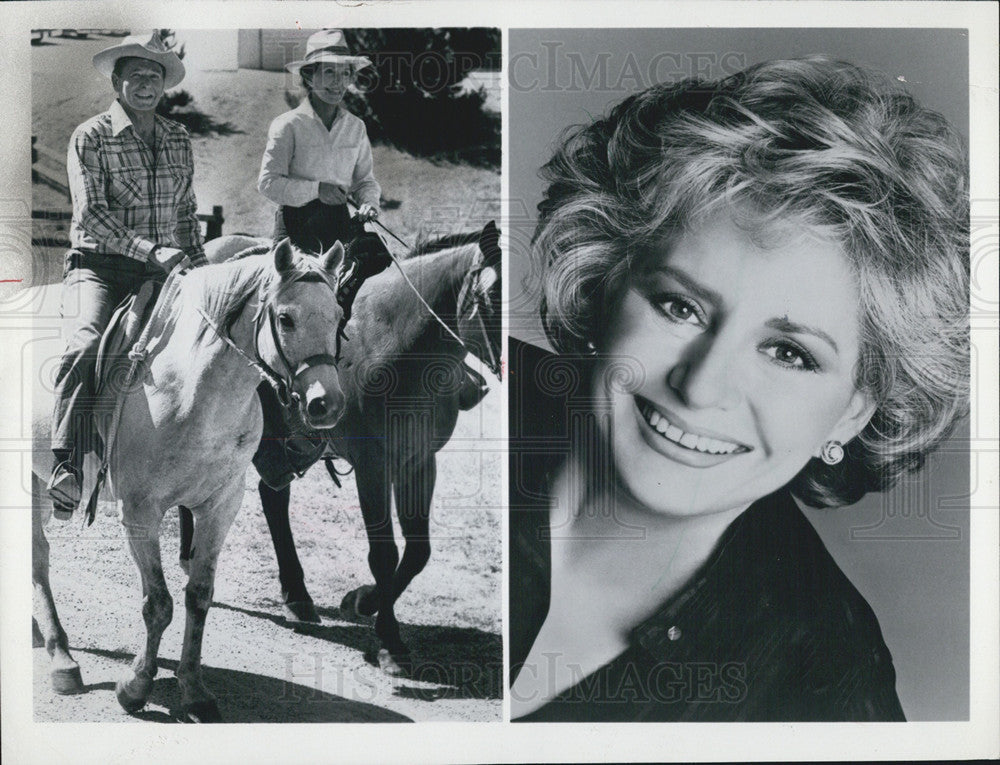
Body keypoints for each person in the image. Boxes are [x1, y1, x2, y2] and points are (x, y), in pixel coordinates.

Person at [509, 57, 969, 721]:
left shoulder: (825, 694)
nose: (700, 386)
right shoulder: (468, 400)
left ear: (852, 413)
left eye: (788, 352)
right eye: (680, 307)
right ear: (607, 280)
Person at [48, 31, 206, 519]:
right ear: (116, 82)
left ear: (165, 84)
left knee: (219, 342)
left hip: (162, 271)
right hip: (100, 267)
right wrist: (151, 250)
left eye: (154, 75)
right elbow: (91, 215)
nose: (145, 83)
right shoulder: (90, 136)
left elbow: (185, 212)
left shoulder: (178, 138)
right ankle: (68, 464)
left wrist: (199, 269)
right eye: (135, 74)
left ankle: (255, 450)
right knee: (86, 343)